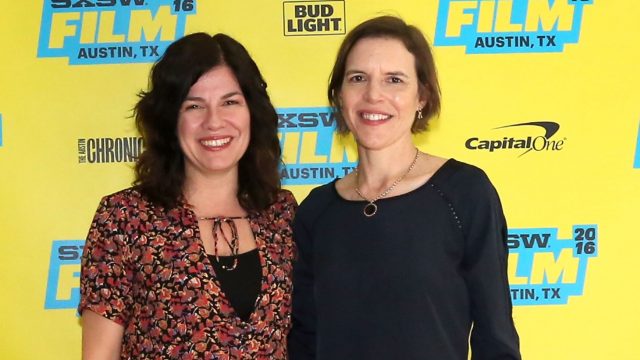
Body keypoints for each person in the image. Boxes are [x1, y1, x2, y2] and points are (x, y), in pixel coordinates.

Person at [288, 16, 521, 359]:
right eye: (358, 79)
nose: (373, 95)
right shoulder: (316, 211)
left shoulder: (465, 193)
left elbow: (495, 339)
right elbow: (303, 341)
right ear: (340, 95)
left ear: (421, 97)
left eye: (394, 80)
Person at [79, 32, 297, 359]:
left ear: (252, 111)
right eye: (194, 106)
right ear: (170, 119)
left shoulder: (282, 215)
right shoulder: (124, 218)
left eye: (230, 102)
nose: (214, 122)